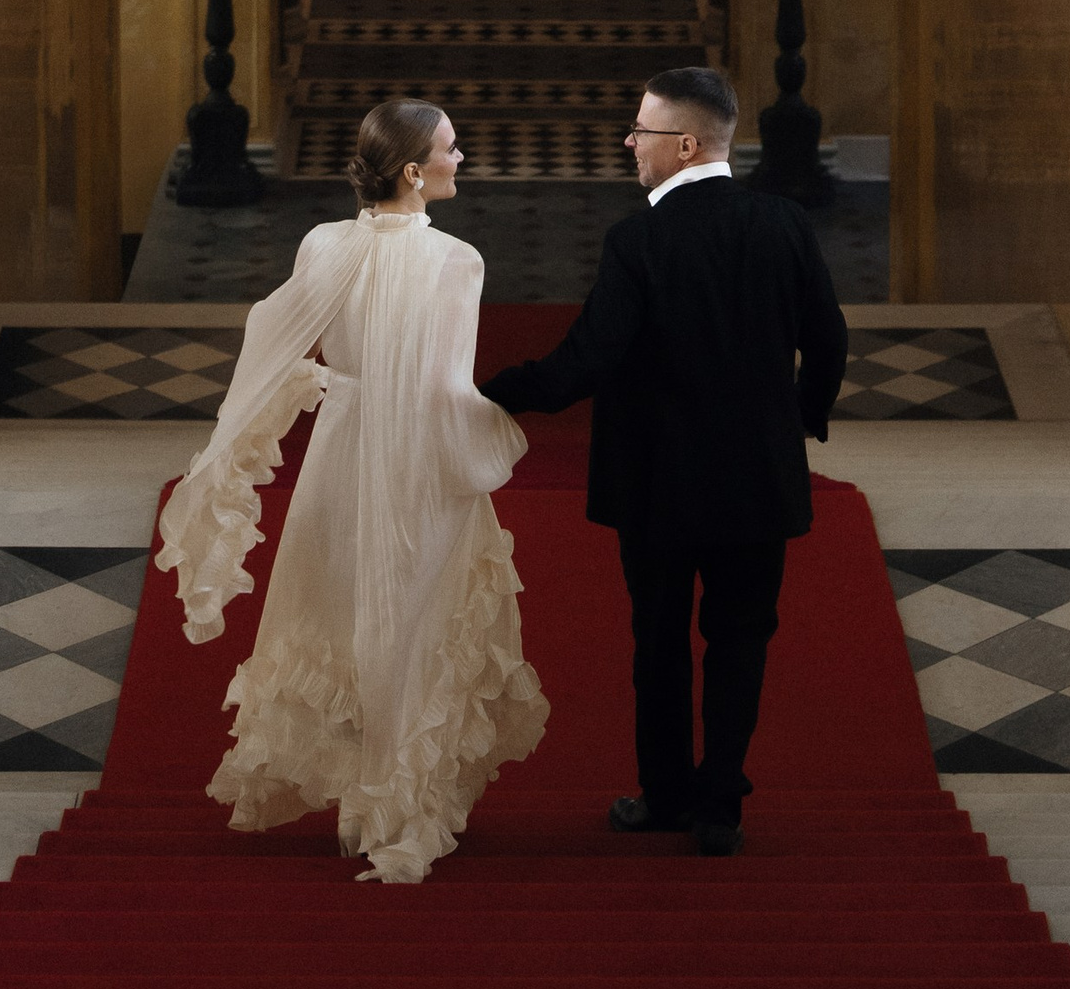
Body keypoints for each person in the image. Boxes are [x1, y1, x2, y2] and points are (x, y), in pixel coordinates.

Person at [155, 96, 549, 884]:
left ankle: (367, 802)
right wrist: (506, 429)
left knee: (343, 612)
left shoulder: (322, 245)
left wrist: (298, 398)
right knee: (411, 619)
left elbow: (272, 331)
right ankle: (398, 807)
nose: (461, 158)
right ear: (412, 171)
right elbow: (445, 391)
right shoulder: (456, 262)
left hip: (341, 450)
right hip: (419, 464)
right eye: (451, 147)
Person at [480, 63, 846, 855]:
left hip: (658, 485)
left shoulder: (639, 238)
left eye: (640, 130)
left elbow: (588, 359)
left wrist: (488, 393)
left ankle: (667, 796)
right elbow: (828, 339)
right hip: (757, 477)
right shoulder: (783, 223)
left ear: (683, 143)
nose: (628, 142)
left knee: (660, 640)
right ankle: (722, 807)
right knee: (741, 637)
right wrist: (800, 418)